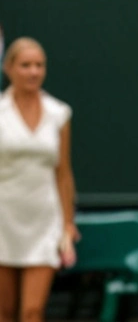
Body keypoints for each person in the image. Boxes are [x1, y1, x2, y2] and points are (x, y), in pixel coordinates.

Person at [0, 37, 77, 322]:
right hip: (3, 219)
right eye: (25, 65)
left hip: (45, 222)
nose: (33, 72)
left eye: (39, 65)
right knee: (4, 312)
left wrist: (67, 224)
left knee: (33, 312)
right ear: (9, 68)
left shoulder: (59, 113)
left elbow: (63, 172)